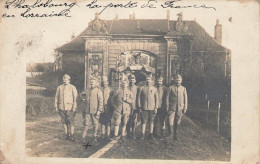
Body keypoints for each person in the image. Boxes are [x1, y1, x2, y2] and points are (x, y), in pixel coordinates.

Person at [54, 74, 78, 141]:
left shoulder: (72, 87)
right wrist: (56, 106)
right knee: (64, 121)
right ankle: (66, 135)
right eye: (64, 79)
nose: (64, 80)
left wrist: (74, 107)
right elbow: (56, 97)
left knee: (71, 122)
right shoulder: (59, 87)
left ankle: (72, 135)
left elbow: (75, 98)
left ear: (69, 80)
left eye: (66, 79)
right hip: (61, 107)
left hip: (69, 108)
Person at [80, 77, 103, 143]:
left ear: (96, 83)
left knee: (95, 124)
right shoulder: (87, 90)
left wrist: (99, 110)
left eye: (93, 82)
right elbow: (81, 95)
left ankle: (94, 137)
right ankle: (83, 137)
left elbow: (101, 102)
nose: (91, 83)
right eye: (91, 82)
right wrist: (82, 99)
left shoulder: (98, 91)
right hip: (87, 110)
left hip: (95, 111)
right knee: (86, 124)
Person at [166, 74, 188, 141]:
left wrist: (185, 108)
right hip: (172, 107)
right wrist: (167, 106)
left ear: (181, 81)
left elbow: (185, 99)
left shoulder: (183, 88)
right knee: (170, 121)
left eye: (179, 80)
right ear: (174, 80)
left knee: (177, 121)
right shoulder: (170, 88)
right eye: (177, 80)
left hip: (180, 108)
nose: (178, 81)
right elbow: (167, 98)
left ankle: (176, 135)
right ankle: (170, 134)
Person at [138, 74, 159, 140]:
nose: (148, 81)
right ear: (145, 80)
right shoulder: (142, 88)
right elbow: (138, 98)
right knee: (143, 121)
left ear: (151, 80)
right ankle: (142, 134)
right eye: (147, 79)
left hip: (152, 108)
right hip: (144, 108)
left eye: (149, 79)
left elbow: (156, 99)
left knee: (151, 121)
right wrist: (139, 106)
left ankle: (151, 134)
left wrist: (156, 107)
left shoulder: (154, 89)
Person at [126, 74, 140, 139]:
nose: (132, 81)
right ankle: (128, 133)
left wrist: (138, 106)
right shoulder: (126, 88)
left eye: (133, 80)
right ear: (129, 80)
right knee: (127, 120)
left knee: (134, 121)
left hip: (135, 106)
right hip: (127, 107)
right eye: (130, 80)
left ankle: (133, 134)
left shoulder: (137, 88)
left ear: (135, 80)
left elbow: (138, 98)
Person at [99, 76, 112, 140]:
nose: (104, 83)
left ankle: (108, 134)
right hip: (102, 108)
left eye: (105, 82)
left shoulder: (110, 90)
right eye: (103, 82)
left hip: (108, 108)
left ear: (107, 82)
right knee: (102, 121)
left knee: (108, 121)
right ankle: (102, 134)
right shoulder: (100, 89)